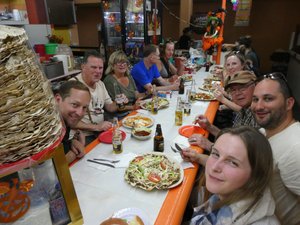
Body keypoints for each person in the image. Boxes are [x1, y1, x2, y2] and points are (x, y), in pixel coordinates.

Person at [187, 126, 279, 225]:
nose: (214, 167)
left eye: (233, 162)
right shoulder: (230, 194)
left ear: (255, 175)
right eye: (216, 154)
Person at [251, 72, 300, 224]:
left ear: (289, 103)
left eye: (268, 98)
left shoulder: (295, 148)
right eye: (255, 99)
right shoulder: (264, 131)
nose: (258, 106)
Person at [184, 70, 258, 153]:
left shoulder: (258, 116)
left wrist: (209, 145)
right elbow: (232, 139)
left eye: (242, 88)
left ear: (256, 87)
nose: (237, 93)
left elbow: (239, 158)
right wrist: (209, 126)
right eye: (233, 90)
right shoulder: (244, 110)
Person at [72, 50, 127, 145]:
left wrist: (118, 102)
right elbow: (70, 122)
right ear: (83, 67)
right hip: (82, 137)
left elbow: (110, 107)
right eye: (93, 67)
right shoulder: (73, 85)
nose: (98, 71)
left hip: (100, 132)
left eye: (100, 68)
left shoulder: (100, 84)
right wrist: (97, 127)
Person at [55, 80, 91, 164]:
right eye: (75, 105)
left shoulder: (65, 119)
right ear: (58, 100)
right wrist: (81, 144)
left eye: (84, 107)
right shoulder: (49, 126)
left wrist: (72, 142)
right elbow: (57, 166)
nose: (80, 113)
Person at [103, 50, 145, 119]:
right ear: (112, 65)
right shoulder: (110, 80)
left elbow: (136, 94)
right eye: (118, 62)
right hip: (118, 116)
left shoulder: (129, 76)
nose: (122, 65)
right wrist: (133, 107)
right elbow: (117, 106)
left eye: (124, 62)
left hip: (132, 112)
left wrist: (148, 92)